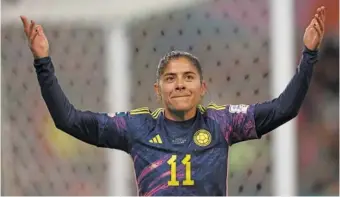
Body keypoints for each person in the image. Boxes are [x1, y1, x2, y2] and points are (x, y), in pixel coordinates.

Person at [20, 6, 326, 196]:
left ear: (202, 87)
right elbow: (68, 120)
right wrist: (43, 62)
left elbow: (285, 108)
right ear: (158, 90)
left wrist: (309, 56)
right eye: (170, 78)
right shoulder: (136, 127)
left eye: (188, 77)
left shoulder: (222, 123)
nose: (179, 84)